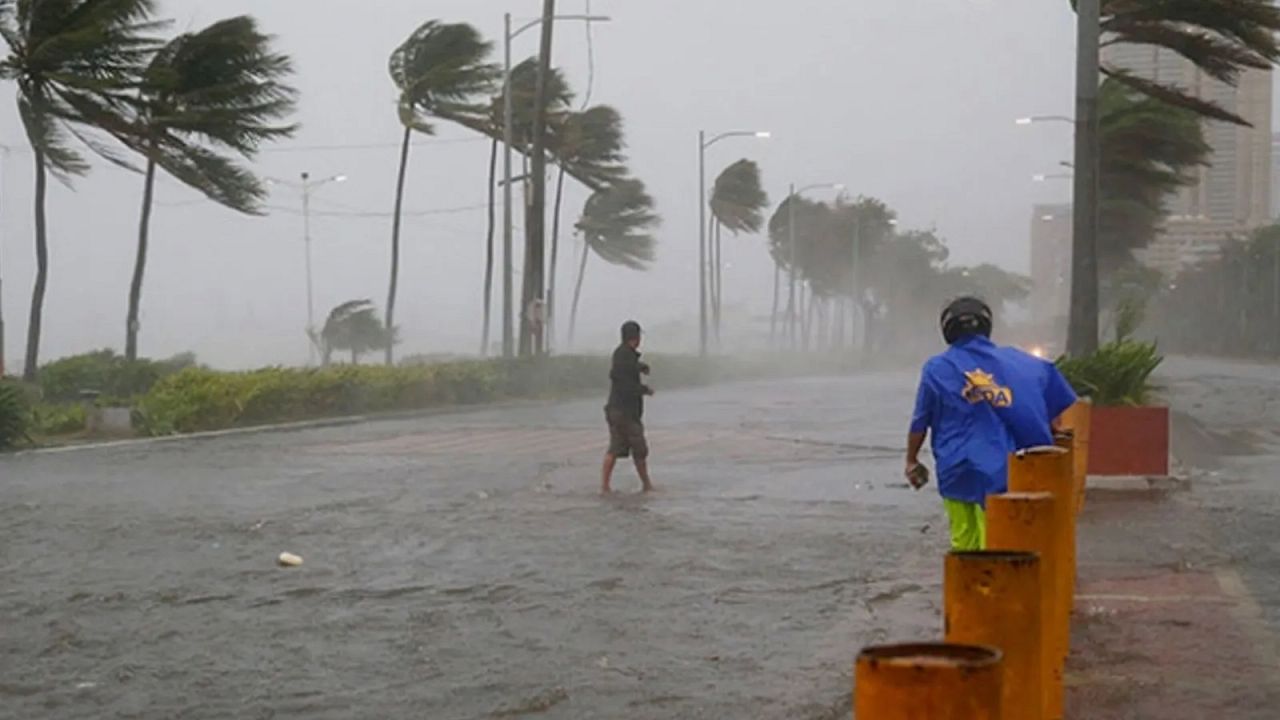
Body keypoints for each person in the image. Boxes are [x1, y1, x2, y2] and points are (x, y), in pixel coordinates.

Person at [905, 297, 1077, 550]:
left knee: (963, 541)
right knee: (998, 540)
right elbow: (1048, 397)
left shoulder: (936, 368)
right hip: (1002, 469)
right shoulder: (1020, 362)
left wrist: (911, 460)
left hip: (955, 469)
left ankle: (967, 588)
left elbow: (920, 421)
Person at [602, 320, 655, 494]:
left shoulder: (623, 354)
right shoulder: (625, 356)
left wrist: (641, 367)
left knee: (615, 448)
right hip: (626, 413)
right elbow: (626, 385)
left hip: (616, 410)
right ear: (635, 337)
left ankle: (605, 487)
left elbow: (627, 369)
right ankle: (647, 485)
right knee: (639, 450)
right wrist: (644, 390)